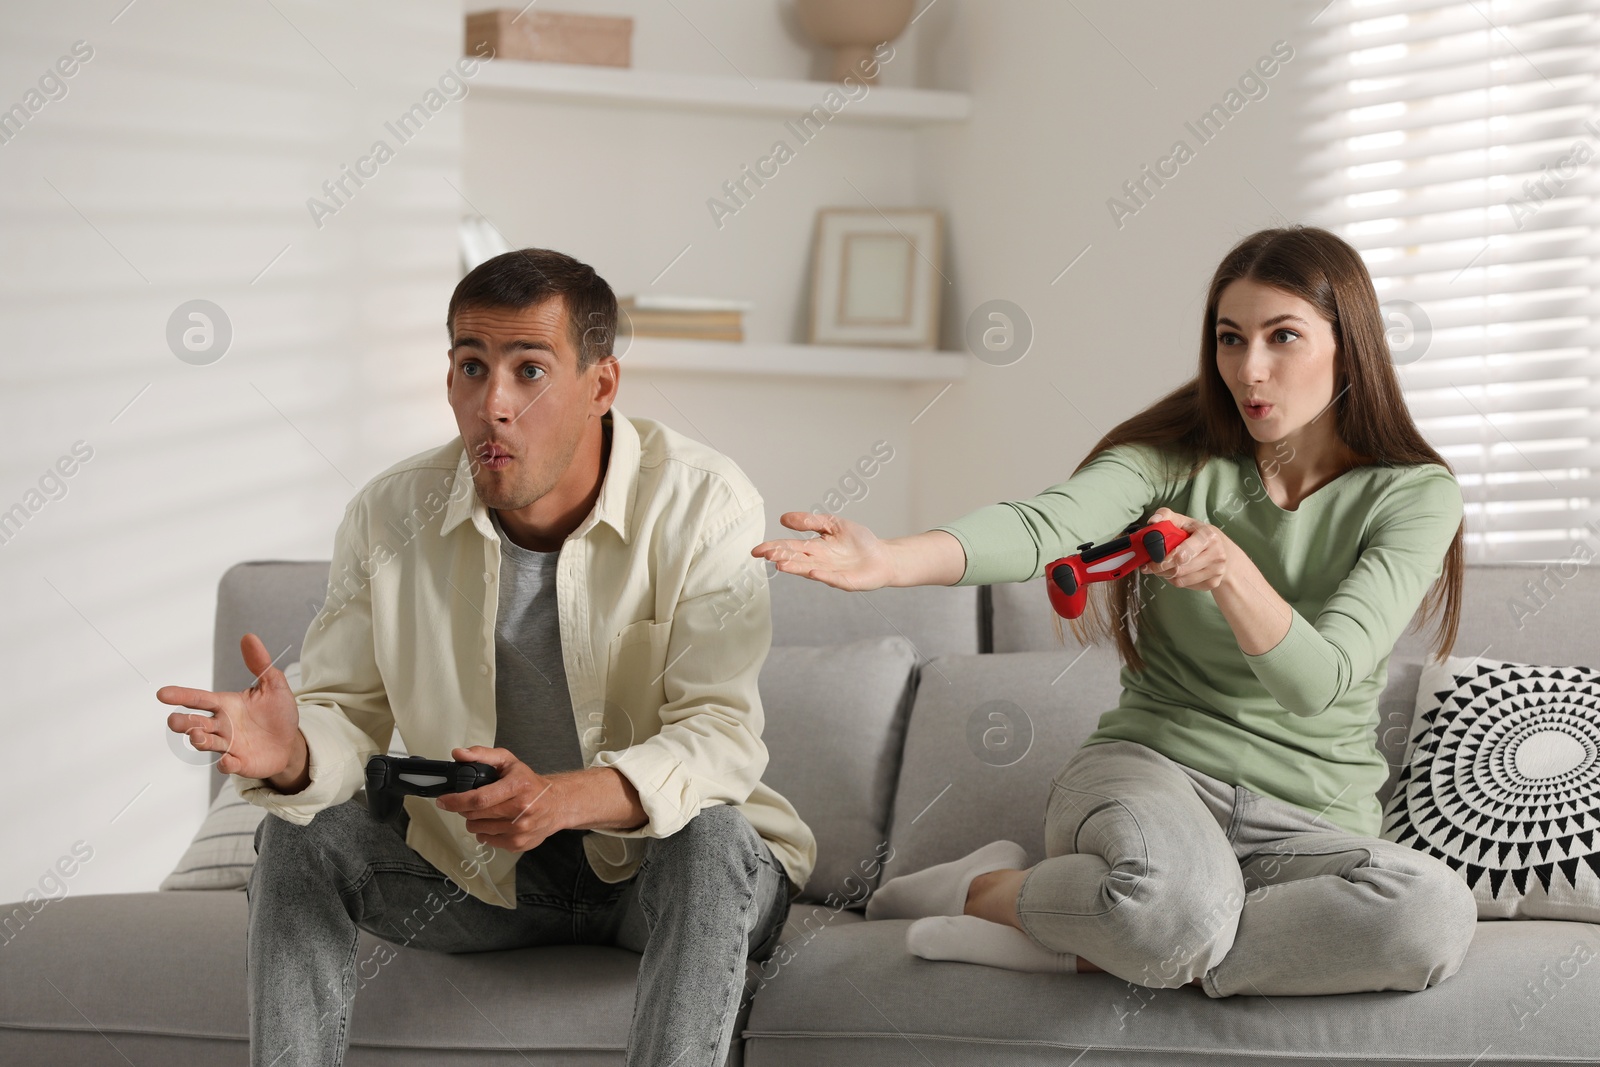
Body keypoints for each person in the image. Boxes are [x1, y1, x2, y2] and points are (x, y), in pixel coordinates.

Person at [753, 225, 1479, 999]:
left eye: (1284, 336)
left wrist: (1232, 570)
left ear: (1350, 344)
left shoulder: (1413, 495)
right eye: (1230, 339)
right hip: (1151, 775)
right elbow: (1042, 525)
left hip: (1314, 819)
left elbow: (1319, 679)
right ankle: (990, 891)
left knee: (1429, 914)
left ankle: (1101, 937)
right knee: (1173, 910)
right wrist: (891, 559)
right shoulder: (1172, 459)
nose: (1250, 369)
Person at [158, 247, 814, 1066]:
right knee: (294, 833)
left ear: (601, 385)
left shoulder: (703, 502)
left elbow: (720, 735)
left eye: (529, 370)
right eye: (472, 367)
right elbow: (346, 716)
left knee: (713, 835)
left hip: (657, 875)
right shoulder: (389, 511)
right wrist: (293, 756)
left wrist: (562, 797)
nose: (493, 404)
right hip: (478, 879)